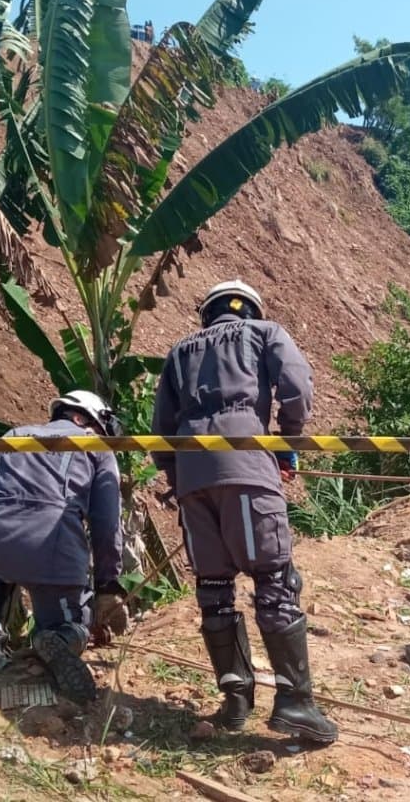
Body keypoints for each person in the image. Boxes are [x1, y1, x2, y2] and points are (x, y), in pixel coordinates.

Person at [151, 280, 337, 744]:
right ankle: (295, 704)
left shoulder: (178, 352)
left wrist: (180, 478)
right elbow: (295, 384)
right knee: (274, 580)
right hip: (247, 468)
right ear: (249, 309)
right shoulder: (264, 333)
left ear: (208, 313)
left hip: (193, 478)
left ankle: (235, 703)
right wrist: (287, 443)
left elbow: (161, 428)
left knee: (213, 587)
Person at [0, 391, 126, 702]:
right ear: (83, 419)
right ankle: (58, 637)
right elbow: (107, 524)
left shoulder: (14, 434)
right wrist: (108, 585)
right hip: (49, 544)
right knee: (70, 625)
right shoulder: (96, 446)